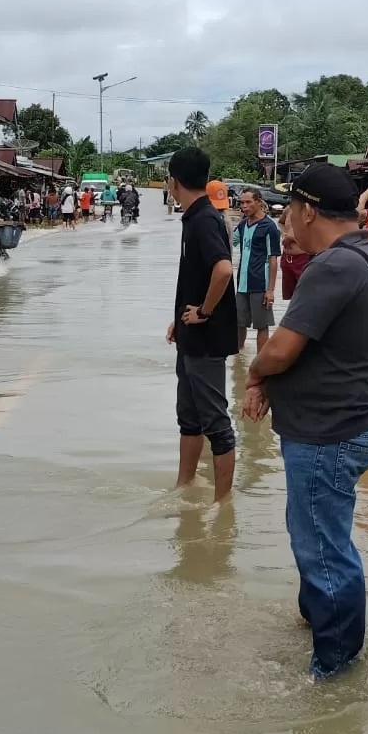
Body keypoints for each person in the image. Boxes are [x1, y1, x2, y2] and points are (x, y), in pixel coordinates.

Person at [241, 164, 368, 679]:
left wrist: (256, 377)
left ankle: (336, 670)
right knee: (319, 533)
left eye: (288, 211)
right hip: (347, 423)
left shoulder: (333, 266)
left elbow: (280, 349)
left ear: (307, 211)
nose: (286, 221)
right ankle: (316, 619)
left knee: (323, 547)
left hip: (328, 433)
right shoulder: (365, 256)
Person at [165, 148, 240, 500]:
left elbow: (223, 269)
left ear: (173, 182)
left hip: (206, 338)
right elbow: (198, 277)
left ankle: (222, 504)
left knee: (216, 423)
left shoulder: (204, 219)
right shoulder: (194, 217)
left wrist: (204, 313)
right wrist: (179, 320)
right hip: (190, 337)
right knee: (189, 419)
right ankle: (184, 487)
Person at [232, 187, 282, 352]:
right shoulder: (243, 225)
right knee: (239, 322)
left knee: (262, 324)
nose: (244, 206)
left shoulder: (269, 227)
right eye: (242, 203)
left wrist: (271, 290)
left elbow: (273, 259)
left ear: (259, 202)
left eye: (248, 202)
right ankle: (238, 356)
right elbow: (231, 242)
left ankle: (261, 359)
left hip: (260, 284)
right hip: (242, 283)